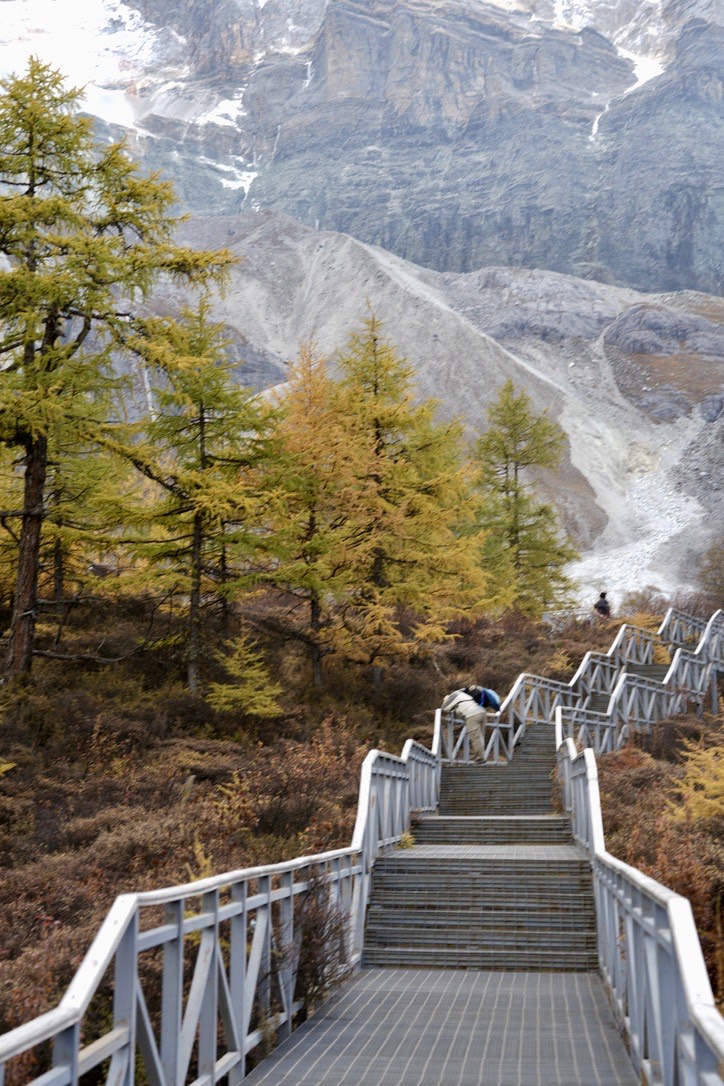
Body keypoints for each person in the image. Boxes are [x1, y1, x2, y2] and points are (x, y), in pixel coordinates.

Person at [441, 689, 488, 761]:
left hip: (472, 714)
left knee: (475, 737)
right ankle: (479, 756)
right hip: (482, 712)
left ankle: (481, 758)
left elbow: (444, 708)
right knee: (480, 736)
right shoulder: (462, 695)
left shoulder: (452, 697)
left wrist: (448, 706)